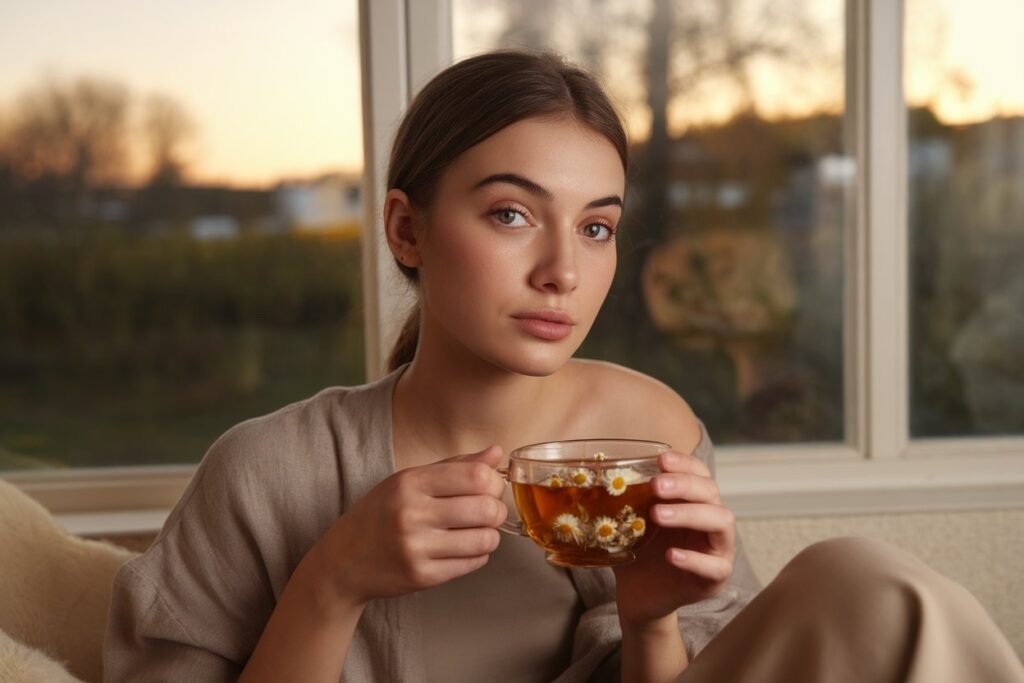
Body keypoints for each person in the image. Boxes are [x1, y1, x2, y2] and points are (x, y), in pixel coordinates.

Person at [103, 51, 1024, 683]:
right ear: (405, 228)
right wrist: (334, 576)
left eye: (596, 227)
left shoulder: (653, 434)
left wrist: (652, 619)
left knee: (861, 581)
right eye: (512, 213)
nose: (564, 271)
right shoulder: (268, 472)